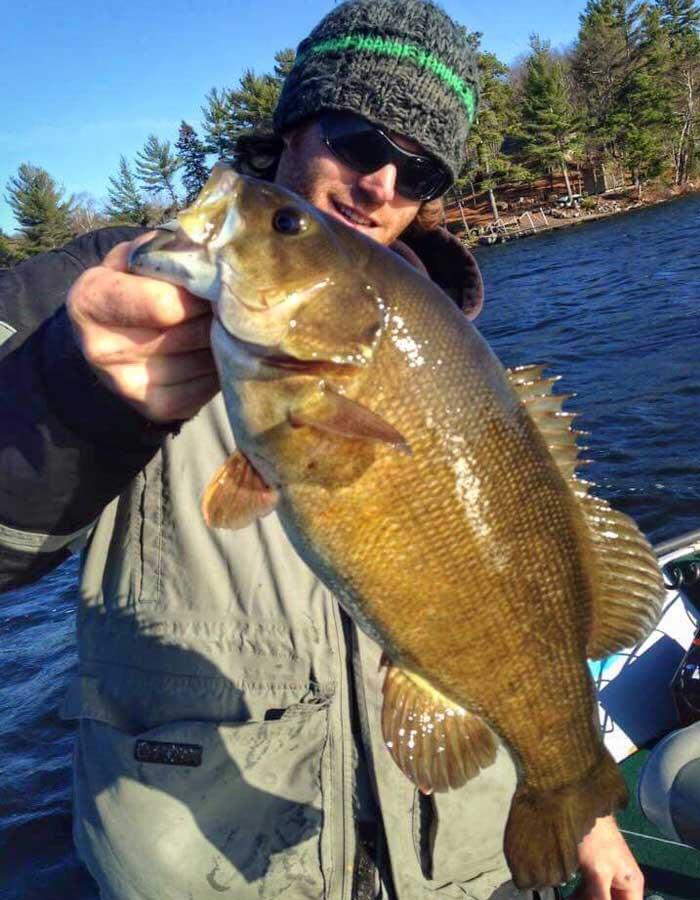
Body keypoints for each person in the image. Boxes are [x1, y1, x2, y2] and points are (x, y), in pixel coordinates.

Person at [0, 1, 644, 898]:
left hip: (454, 869)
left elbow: (533, 605)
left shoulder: (456, 343)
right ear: (293, 125)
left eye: (418, 169)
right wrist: (72, 396)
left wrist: (585, 798)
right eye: (356, 135)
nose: (381, 182)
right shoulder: (99, 291)